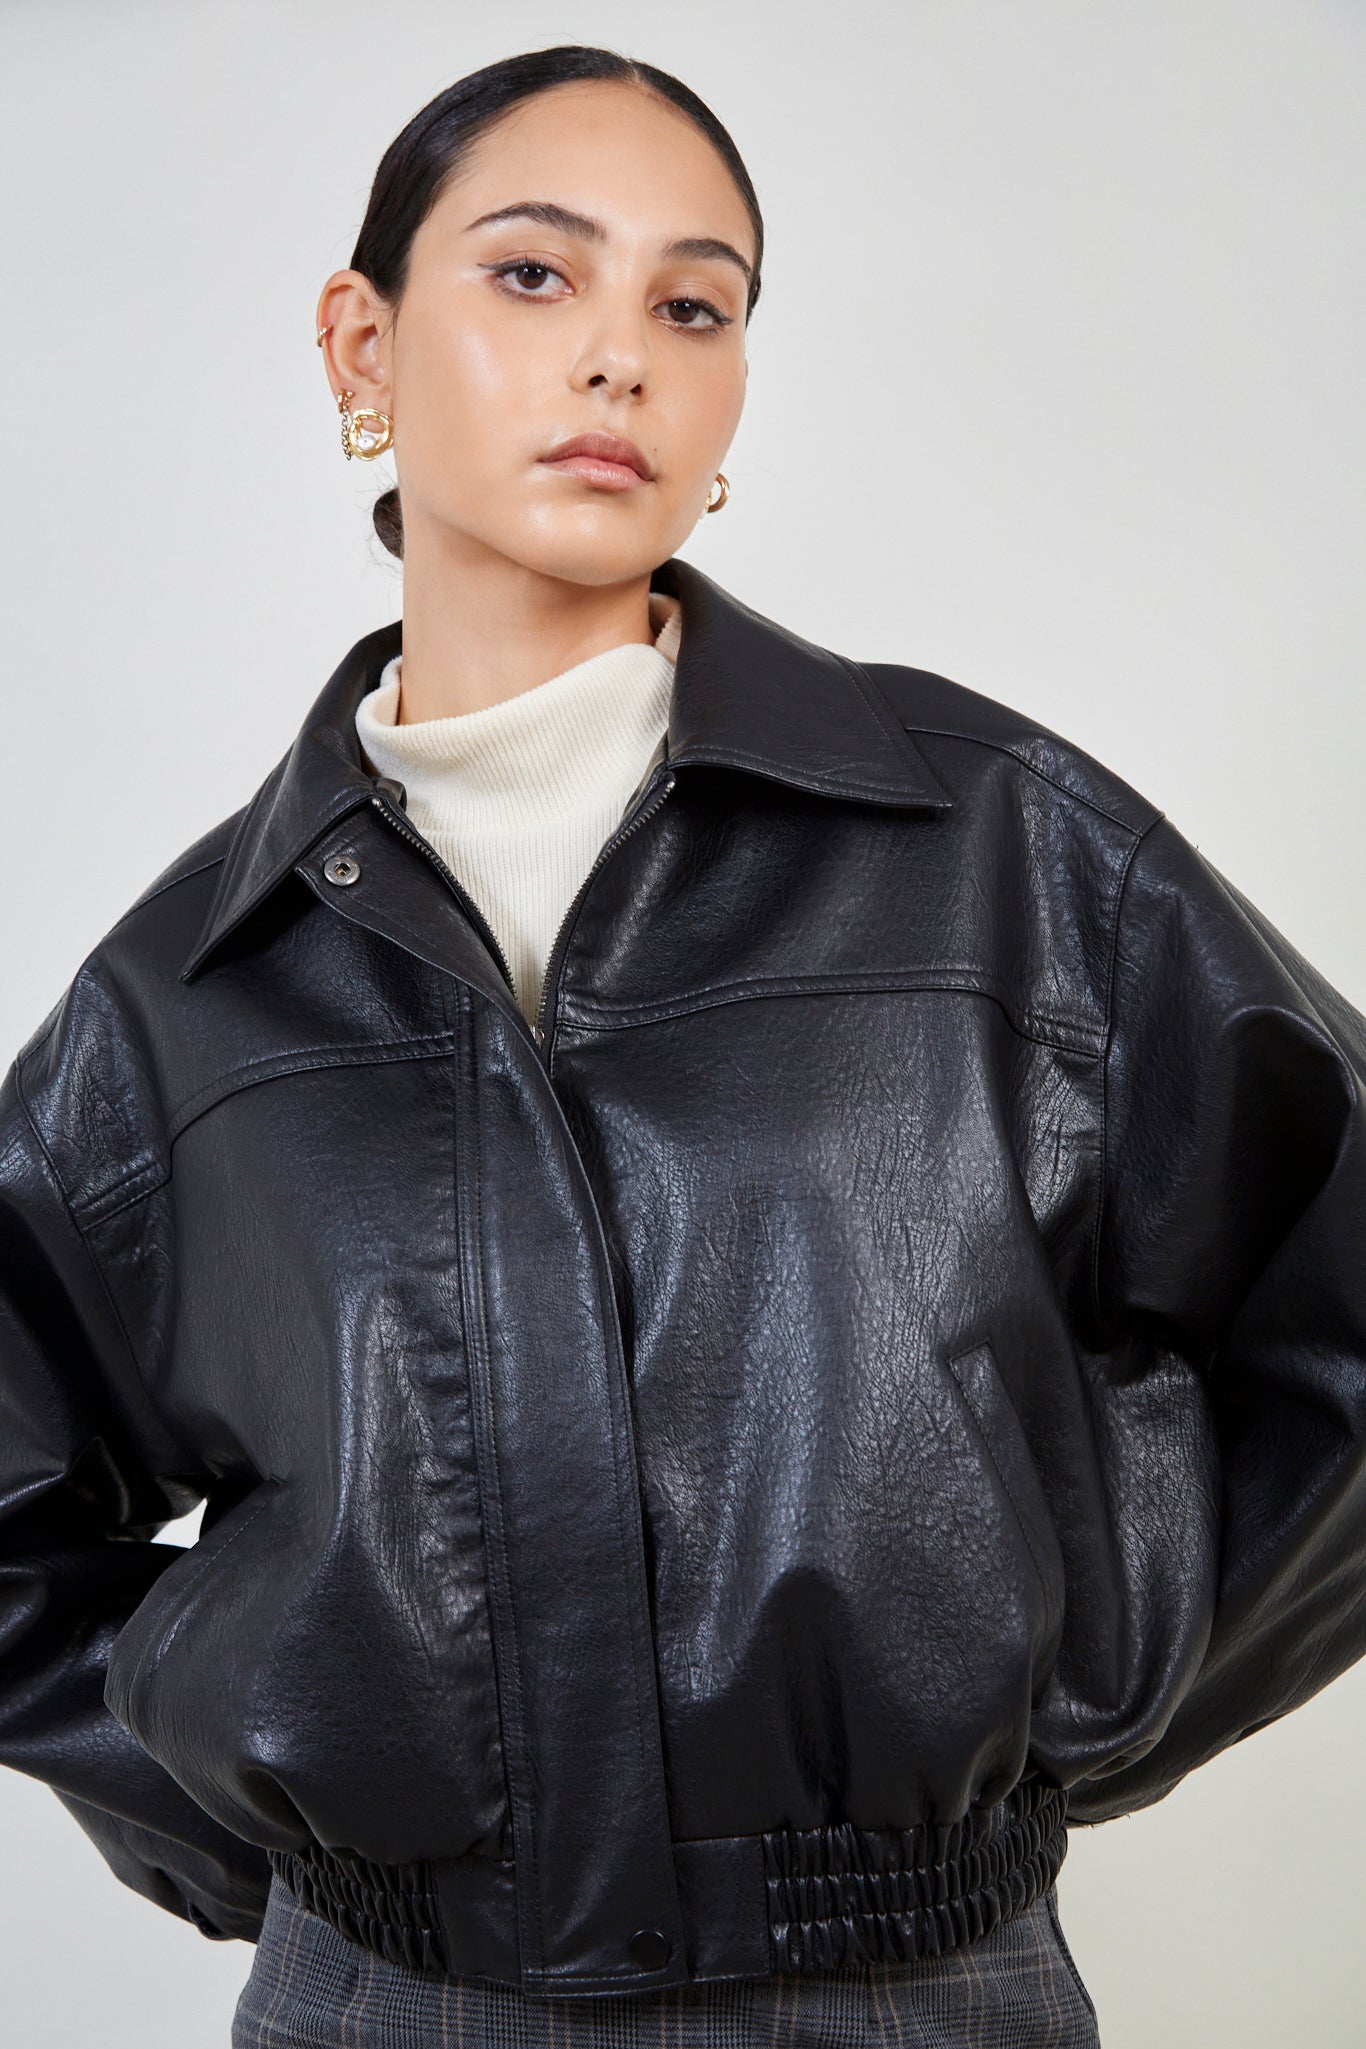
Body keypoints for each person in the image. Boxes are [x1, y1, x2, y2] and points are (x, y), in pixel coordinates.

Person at [2, 41, 1364, 2049]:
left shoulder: (993, 846)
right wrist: (299, 1824)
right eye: (532, 273)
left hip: (909, 1995)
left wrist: (1075, 1694)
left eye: (694, 304)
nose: (617, 354)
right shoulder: (190, 986)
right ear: (363, 344)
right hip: (378, 2004)